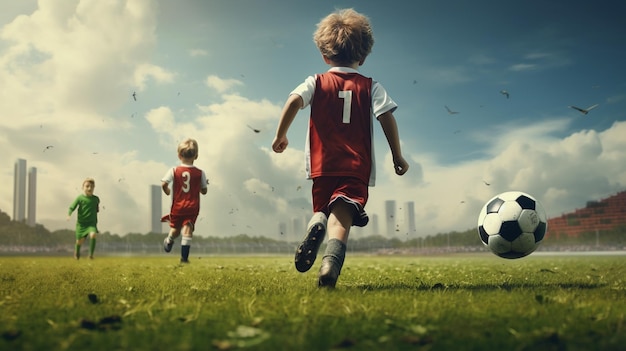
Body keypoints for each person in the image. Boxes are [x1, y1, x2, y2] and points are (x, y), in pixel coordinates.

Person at [272, 8, 409, 288]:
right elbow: (386, 117)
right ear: (364, 55)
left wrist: (281, 135)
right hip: (356, 168)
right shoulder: (371, 86)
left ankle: (316, 223)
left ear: (324, 54)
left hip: (323, 166)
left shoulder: (316, 81)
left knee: (322, 209)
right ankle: (330, 266)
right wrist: (397, 155)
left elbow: (294, 101)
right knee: (342, 221)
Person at [161, 138, 208, 263]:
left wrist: (167, 191)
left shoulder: (174, 170)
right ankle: (184, 258)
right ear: (196, 156)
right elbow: (204, 191)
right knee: (188, 229)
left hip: (177, 207)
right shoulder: (200, 173)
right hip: (192, 207)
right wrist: (199, 187)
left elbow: (164, 183)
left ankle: (169, 240)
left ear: (179, 155)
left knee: (175, 230)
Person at [67, 178, 100, 260]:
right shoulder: (80, 198)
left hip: (91, 224)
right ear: (83, 187)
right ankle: (77, 253)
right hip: (81, 224)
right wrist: (69, 214)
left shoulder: (96, 199)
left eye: (91, 186)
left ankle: (90, 255)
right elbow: (72, 207)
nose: (89, 188)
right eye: (87, 186)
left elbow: (97, 208)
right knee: (79, 241)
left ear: (94, 188)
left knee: (93, 234)